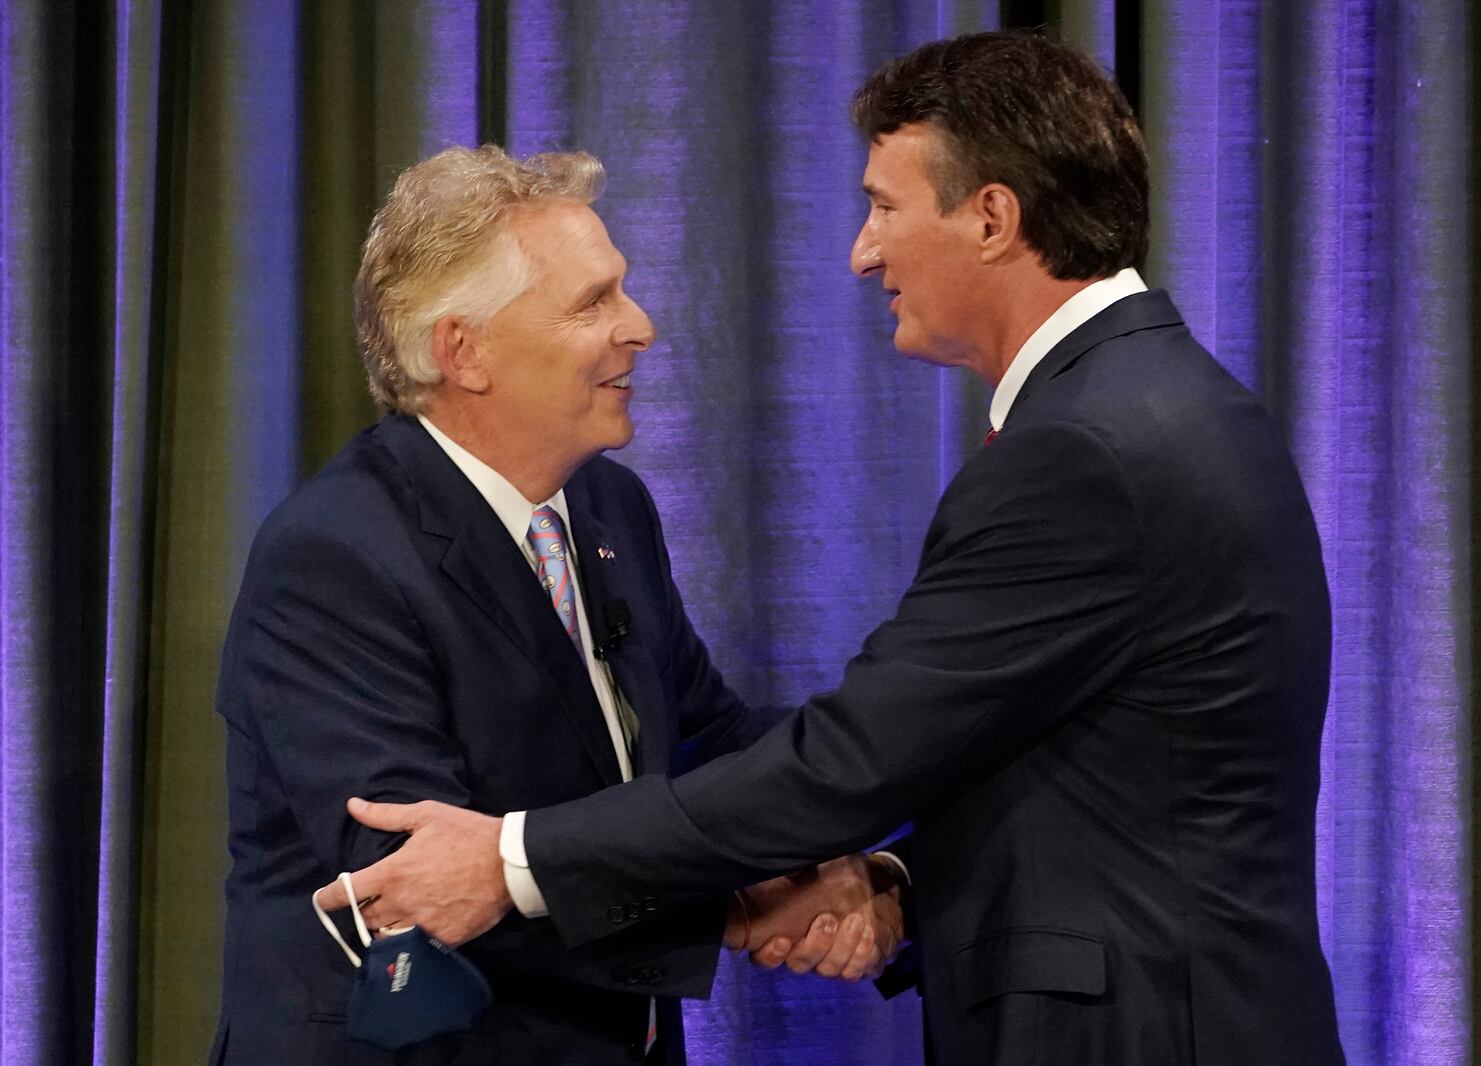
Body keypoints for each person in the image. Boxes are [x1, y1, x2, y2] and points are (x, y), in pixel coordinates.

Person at [326, 33, 1346, 1065]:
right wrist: (882, 879)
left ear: (992, 218)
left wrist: (514, 859)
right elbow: (1041, 771)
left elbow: (856, 759)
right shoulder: (1155, 401)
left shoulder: (1084, 447)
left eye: (884, 207)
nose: (863, 253)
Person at [211, 144, 899, 1066]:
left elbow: (706, 741)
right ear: (464, 351)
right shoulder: (336, 555)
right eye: (593, 303)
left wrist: (890, 781)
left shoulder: (610, 506)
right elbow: (415, 885)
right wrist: (734, 909)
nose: (641, 326)